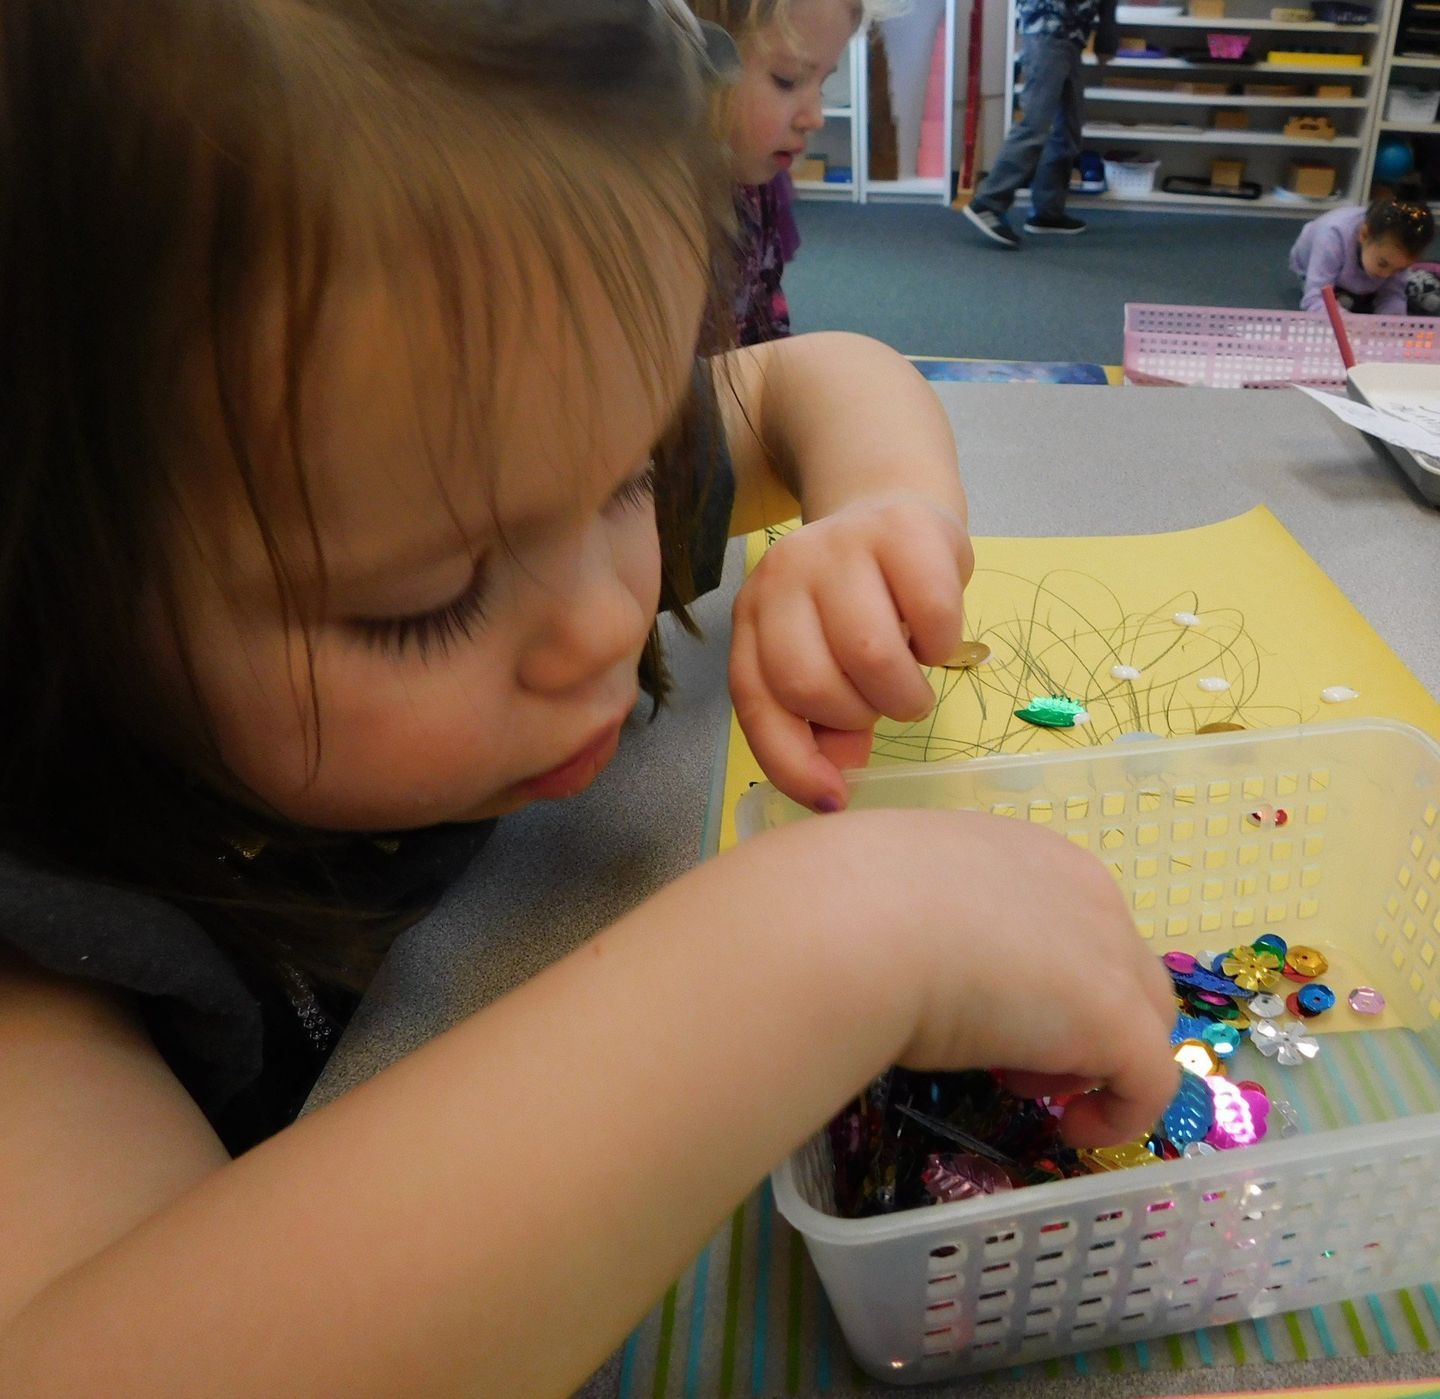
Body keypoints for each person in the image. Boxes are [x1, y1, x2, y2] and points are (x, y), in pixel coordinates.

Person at [0, 1, 1178, 1392]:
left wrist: (883, 517)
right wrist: (835, 937)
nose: (610, 619)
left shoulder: (500, 463)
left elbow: (818, 376)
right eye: (421, 603)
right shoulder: (52, 944)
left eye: (628, 473)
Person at [691, 0, 865, 344]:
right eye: (787, 81)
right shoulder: (650, 214)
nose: (815, 118)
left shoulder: (755, 191)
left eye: (822, 83)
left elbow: (765, 325)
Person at [961, 0, 1118, 249]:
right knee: (1035, 124)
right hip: (1046, 31)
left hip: (1072, 36)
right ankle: (988, 202)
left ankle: (1048, 213)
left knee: (1069, 127)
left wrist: (1108, 34)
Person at [1290, 181, 1436, 315]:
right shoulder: (1332, 237)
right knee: (1340, 304)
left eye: (1400, 269)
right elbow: (1314, 298)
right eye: (1383, 264)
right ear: (1364, 235)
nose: (1386, 275)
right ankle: (1348, 293)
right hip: (1316, 266)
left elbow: (1392, 294)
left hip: (1361, 266)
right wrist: (1352, 325)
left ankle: (1364, 288)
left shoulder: (1389, 256)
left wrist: (1390, 325)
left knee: (1389, 291)